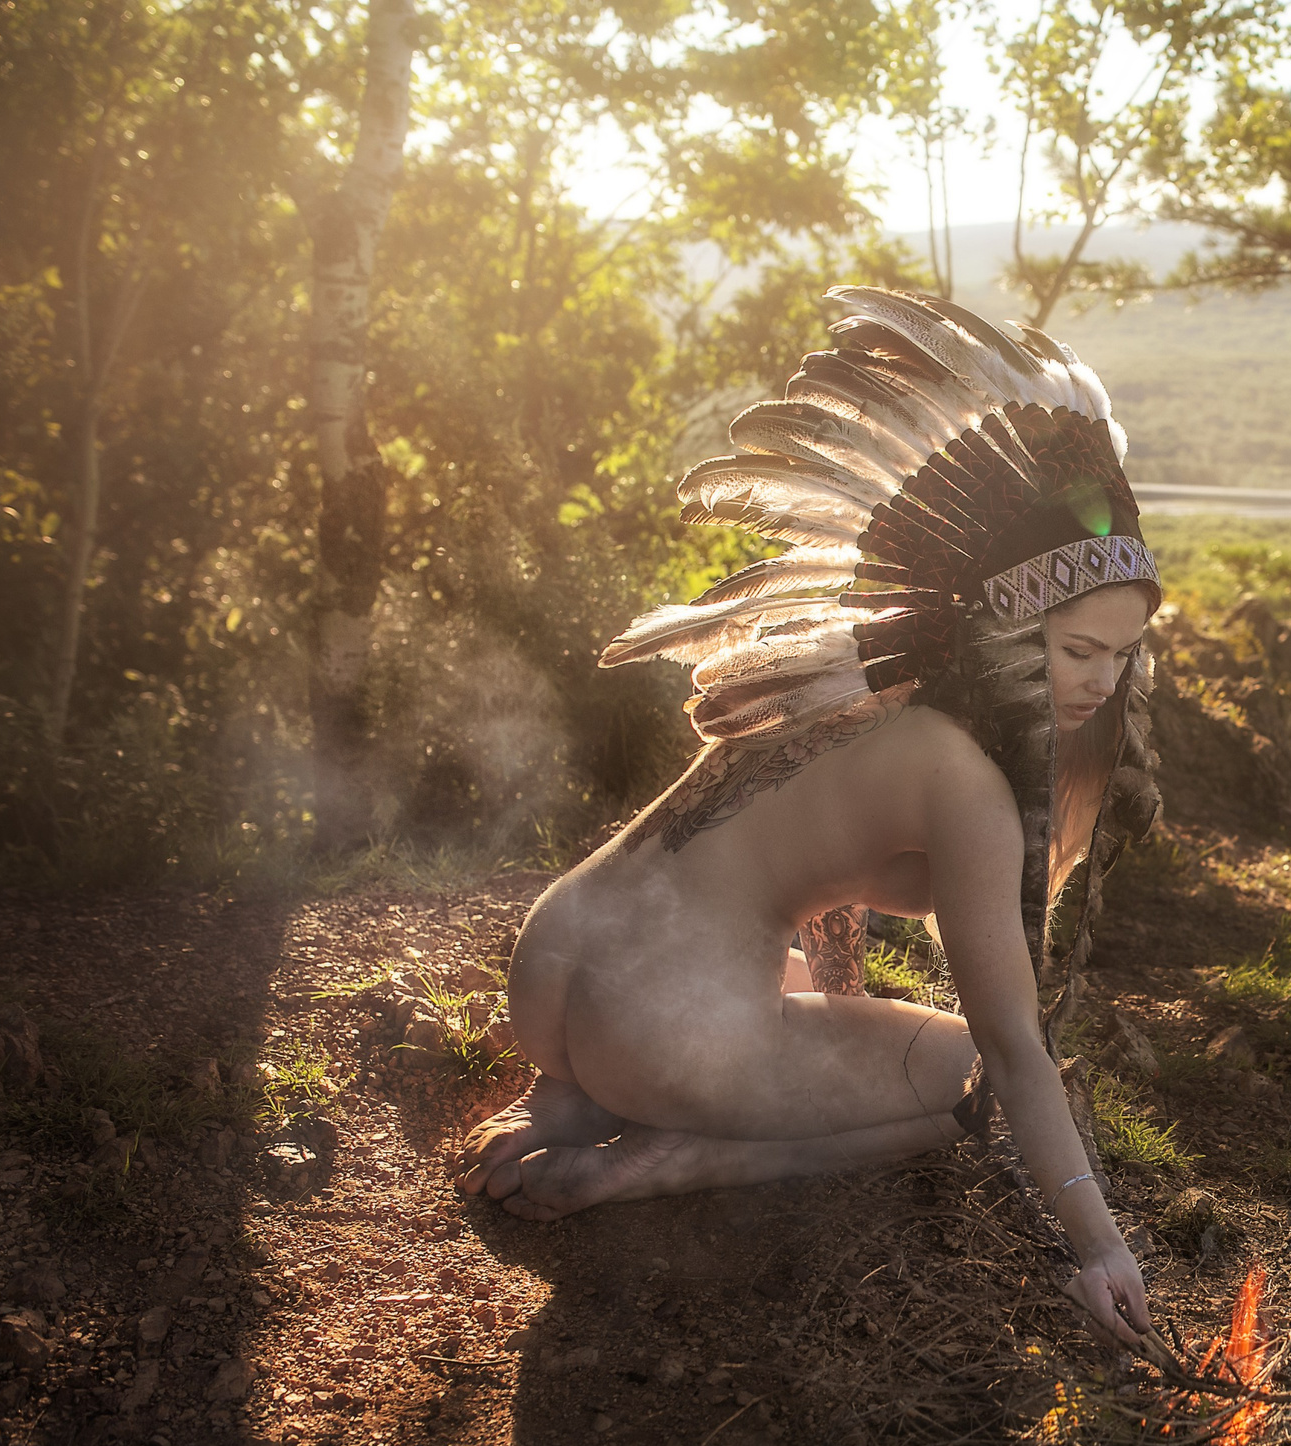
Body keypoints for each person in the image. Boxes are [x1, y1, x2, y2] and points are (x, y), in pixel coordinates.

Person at [450, 290, 1161, 1348]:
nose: (1098, 686)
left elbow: (826, 889)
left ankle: (570, 1098)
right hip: (661, 1028)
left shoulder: (856, 690)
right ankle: (671, 1157)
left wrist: (818, 1024)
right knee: (957, 1076)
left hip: (556, 959)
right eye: (1073, 653)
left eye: (1120, 656)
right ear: (1013, 632)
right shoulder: (965, 779)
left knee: (786, 991)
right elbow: (1012, 1050)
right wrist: (1100, 1246)